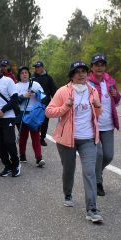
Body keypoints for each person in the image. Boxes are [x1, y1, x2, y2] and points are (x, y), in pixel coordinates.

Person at [46, 61, 103, 223]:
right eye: (77, 72)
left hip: (89, 139)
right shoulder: (63, 92)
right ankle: (68, 193)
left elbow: (97, 113)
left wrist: (98, 107)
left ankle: (92, 209)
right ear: (72, 75)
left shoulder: (92, 91)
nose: (81, 74)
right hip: (66, 140)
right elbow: (49, 112)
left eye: (84, 71)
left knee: (90, 172)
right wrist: (65, 107)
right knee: (69, 169)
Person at [88, 53, 121, 196]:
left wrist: (116, 95)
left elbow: (118, 101)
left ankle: (96, 173)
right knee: (99, 154)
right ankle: (98, 182)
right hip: (93, 125)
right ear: (92, 67)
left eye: (102, 65)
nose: (99, 67)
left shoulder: (110, 81)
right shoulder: (87, 83)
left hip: (108, 125)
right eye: (97, 65)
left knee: (108, 155)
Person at [14, 66, 45, 167]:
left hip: (34, 114)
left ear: (29, 74)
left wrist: (37, 93)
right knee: (23, 136)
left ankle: (39, 158)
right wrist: (23, 96)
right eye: (22, 73)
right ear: (19, 75)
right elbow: (13, 101)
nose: (24, 74)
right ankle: (22, 155)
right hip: (21, 113)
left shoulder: (35, 84)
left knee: (36, 136)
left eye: (26, 72)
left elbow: (44, 97)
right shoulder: (15, 86)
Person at [32, 60, 57, 146]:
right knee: (35, 122)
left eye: (38, 67)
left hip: (46, 104)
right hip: (35, 104)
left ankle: (42, 138)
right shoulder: (32, 78)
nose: (37, 69)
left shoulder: (48, 78)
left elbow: (54, 90)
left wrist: (56, 102)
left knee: (45, 122)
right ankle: (35, 137)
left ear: (43, 68)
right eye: (36, 67)